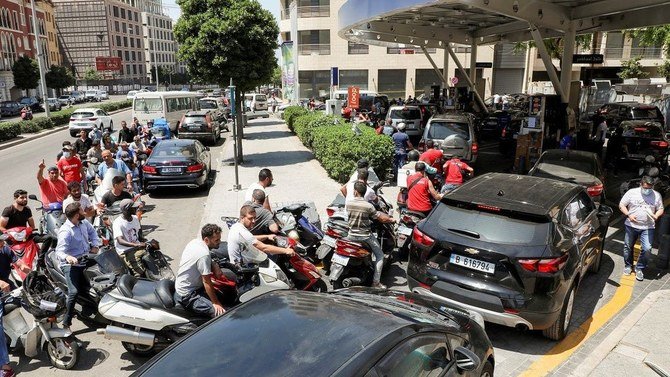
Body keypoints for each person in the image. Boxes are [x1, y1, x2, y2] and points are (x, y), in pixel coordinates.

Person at [54, 202, 101, 330]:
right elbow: (59, 252)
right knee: (73, 292)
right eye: (81, 210)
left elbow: (93, 233)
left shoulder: (83, 223)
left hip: (87, 258)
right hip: (71, 265)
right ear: (76, 215)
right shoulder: (66, 231)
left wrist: (96, 245)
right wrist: (68, 257)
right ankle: (66, 322)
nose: (84, 212)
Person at [345, 181, 395, 289]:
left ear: (355, 192)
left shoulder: (348, 203)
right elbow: (380, 218)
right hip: (365, 236)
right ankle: (376, 282)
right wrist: (391, 219)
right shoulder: (368, 206)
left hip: (350, 235)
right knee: (380, 255)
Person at [174, 224, 227, 317]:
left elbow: (206, 256)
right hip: (188, 295)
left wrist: (214, 264)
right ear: (206, 240)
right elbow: (206, 282)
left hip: (191, 286)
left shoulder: (195, 242)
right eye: (216, 240)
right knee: (220, 314)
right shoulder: (204, 255)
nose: (219, 242)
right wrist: (216, 303)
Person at [619, 176, 664, 282]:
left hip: (648, 227)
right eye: (645, 187)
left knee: (647, 249)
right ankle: (628, 265)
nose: (647, 190)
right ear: (641, 184)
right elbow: (622, 205)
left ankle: (639, 268)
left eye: (650, 188)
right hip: (631, 225)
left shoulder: (656, 195)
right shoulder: (631, 192)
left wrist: (656, 215)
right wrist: (629, 215)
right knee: (628, 246)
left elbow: (661, 208)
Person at [0, 233, 31, 377]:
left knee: (32, 297)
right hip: (1, 286)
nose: (2, 243)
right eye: (0, 241)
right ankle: (4, 366)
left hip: (7, 286)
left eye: (2, 241)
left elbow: (18, 262)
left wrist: (26, 268)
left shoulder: (5, 249)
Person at [227, 205, 295, 265]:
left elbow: (251, 238)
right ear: (242, 218)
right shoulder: (243, 232)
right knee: (273, 256)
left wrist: (267, 236)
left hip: (242, 260)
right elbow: (264, 248)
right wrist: (286, 251)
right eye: (250, 218)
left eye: (254, 218)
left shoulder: (236, 226)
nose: (253, 221)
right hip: (242, 267)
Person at [112, 199, 146, 277]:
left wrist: (146, 242)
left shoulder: (135, 218)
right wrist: (136, 245)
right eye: (133, 207)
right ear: (127, 209)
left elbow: (139, 234)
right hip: (125, 251)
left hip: (137, 247)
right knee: (140, 271)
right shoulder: (117, 223)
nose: (136, 208)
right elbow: (120, 241)